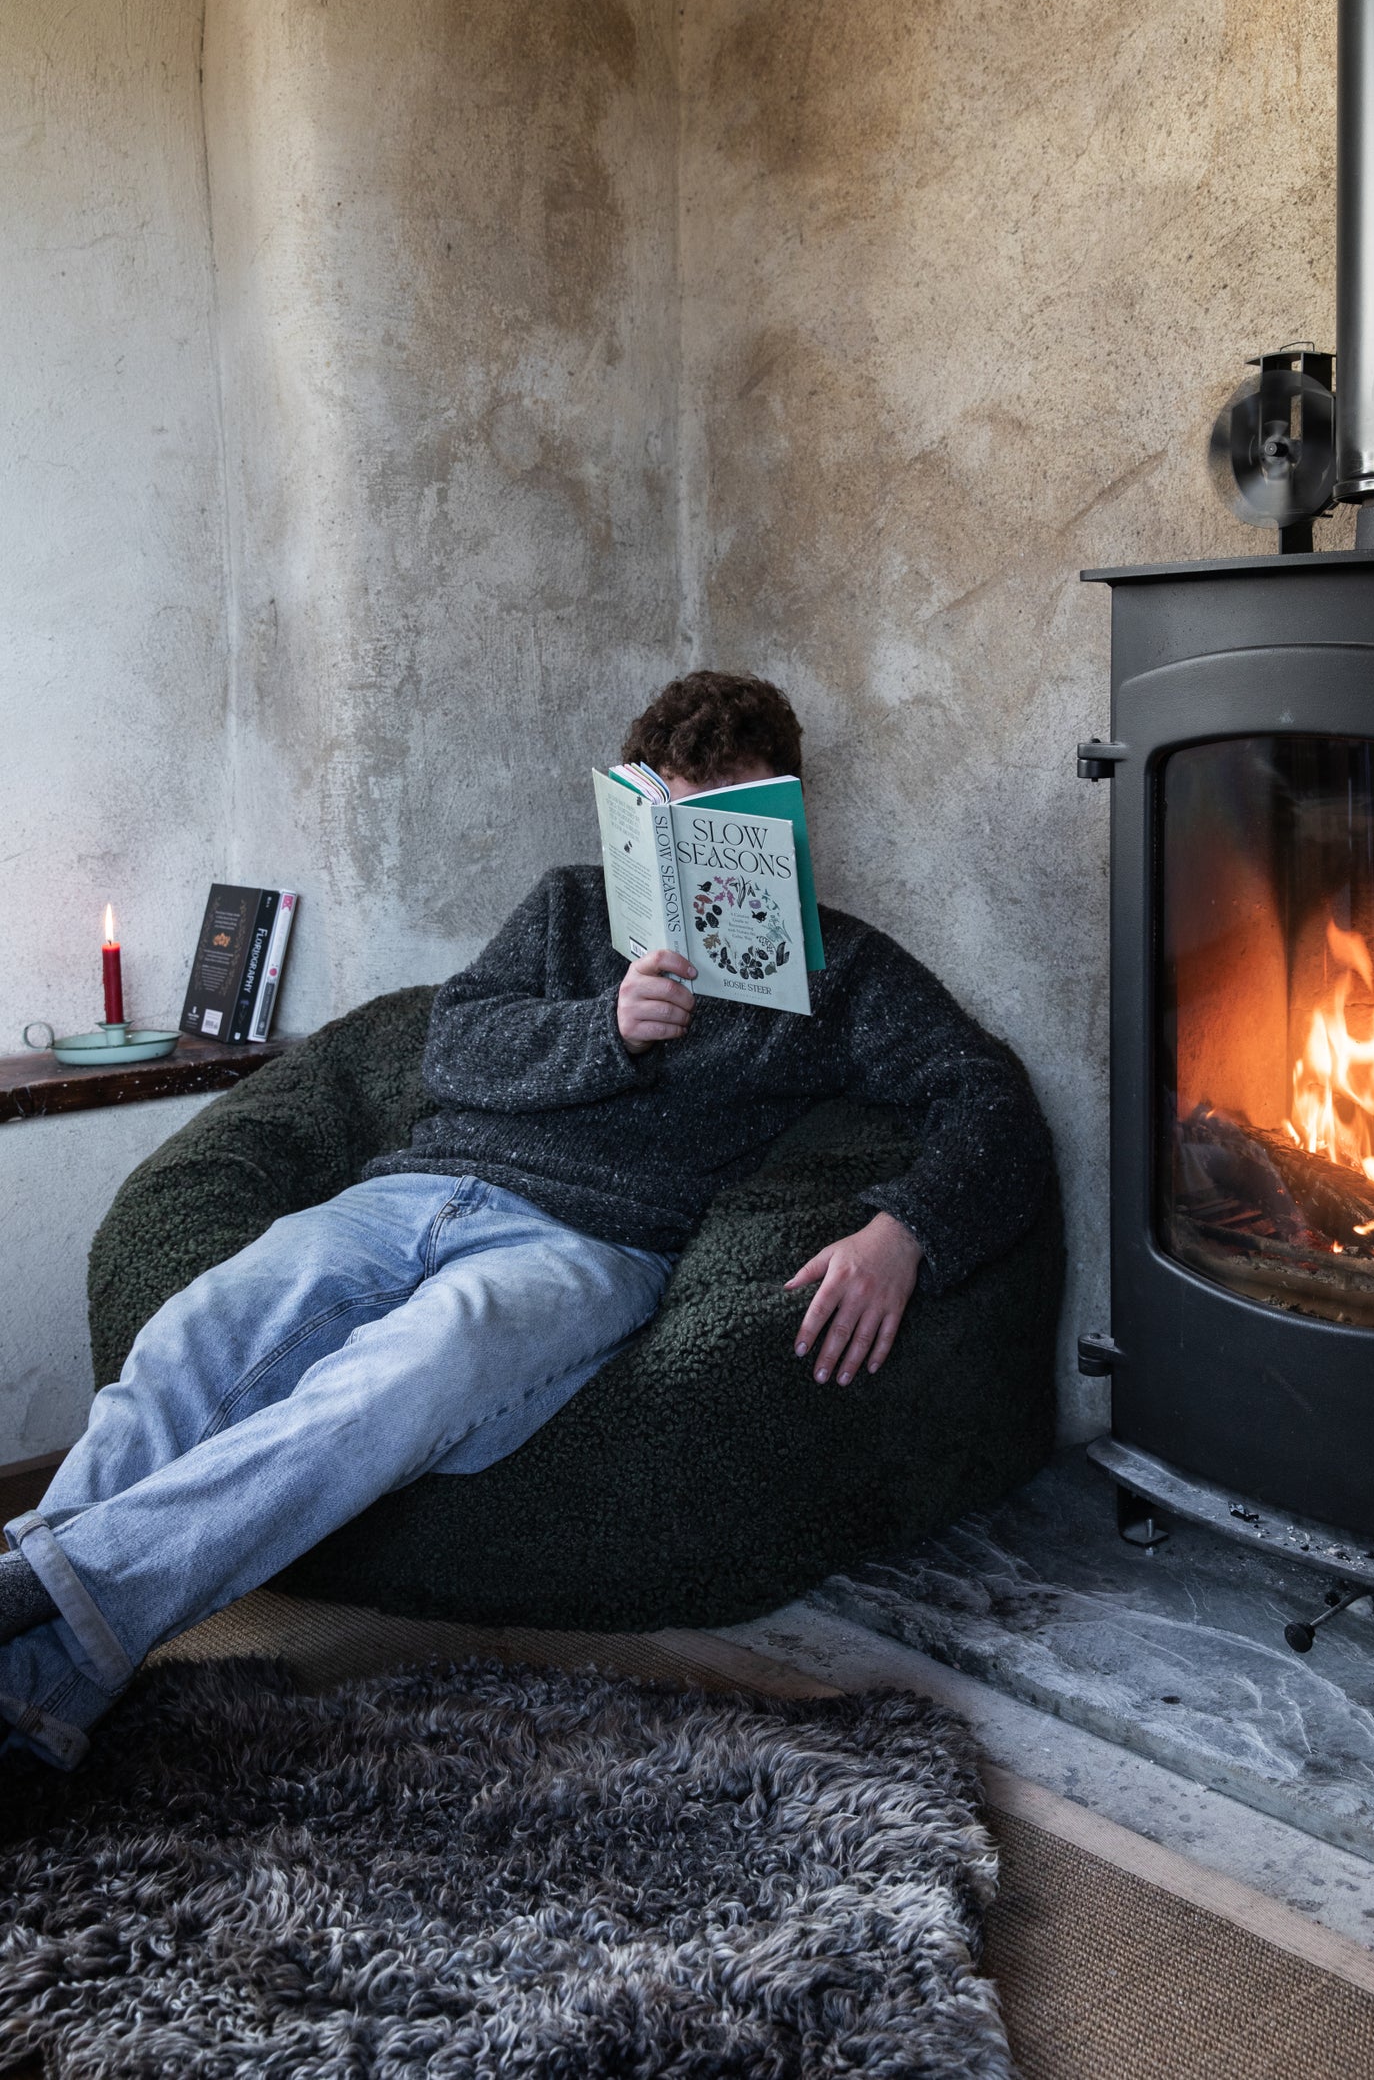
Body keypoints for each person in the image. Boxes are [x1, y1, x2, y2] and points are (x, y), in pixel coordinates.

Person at [0, 671, 1048, 1770]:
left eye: (727, 814)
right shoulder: (565, 907)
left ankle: (39, 1592)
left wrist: (906, 1231)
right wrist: (607, 1027)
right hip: (410, 1193)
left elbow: (987, 1093)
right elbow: (451, 1042)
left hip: (591, 1244)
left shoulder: (840, 970)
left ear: (779, 817)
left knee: (412, 1373)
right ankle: (32, 1698)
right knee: (192, 1331)